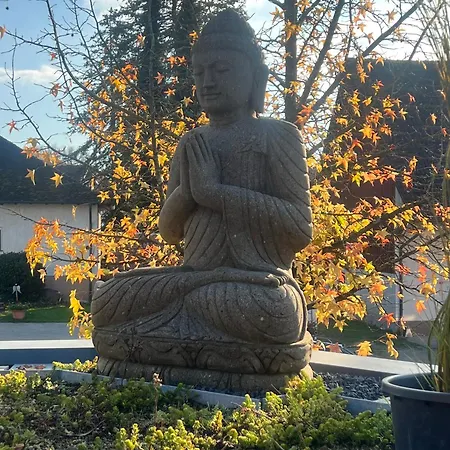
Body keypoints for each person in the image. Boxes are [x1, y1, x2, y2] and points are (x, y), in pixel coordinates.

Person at [92, 10, 313, 389]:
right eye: (199, 73)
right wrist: (186, 195)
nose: (208, 82)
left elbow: (300, 228)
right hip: (196, 279)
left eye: (222, 70)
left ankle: (172, 333)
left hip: (253, 288)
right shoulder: (191, 143)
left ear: (256, 77)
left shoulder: (278, 136)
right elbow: (170, 233)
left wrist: (216, 193)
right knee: (107, 299)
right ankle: (199, 323)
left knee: (278, 314)